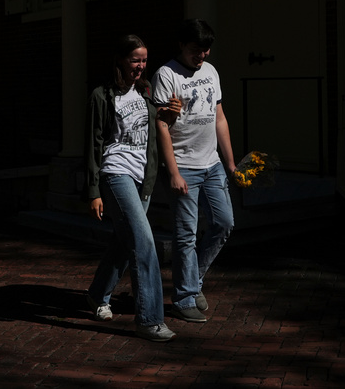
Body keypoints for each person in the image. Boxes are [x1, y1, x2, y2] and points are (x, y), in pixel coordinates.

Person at [83, 34, 180, 342]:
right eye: (135, 59)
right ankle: (150, 320)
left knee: (124, 243)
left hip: (144, 177)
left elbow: (157, 125)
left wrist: (170, 115)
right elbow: (94, 144)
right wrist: (93, 190)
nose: (140, 66)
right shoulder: (102, 95)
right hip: (115, 173)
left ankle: (97, 295)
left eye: (144, 60)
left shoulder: (147, 91)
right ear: (121, 60)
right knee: (144, 243)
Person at [151, 18, 237, 323]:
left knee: (224, 223)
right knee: (185, 234)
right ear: (181, 46)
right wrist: (172, 172)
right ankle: (184, 296)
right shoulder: (166, 74)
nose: (201, 56)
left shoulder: (211, 72)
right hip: (183, 165)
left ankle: (193, 280)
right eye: (195, 50)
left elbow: (220, 118)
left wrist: (229, 163)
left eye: (205, 50)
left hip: (212, 164)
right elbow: (161, 126)